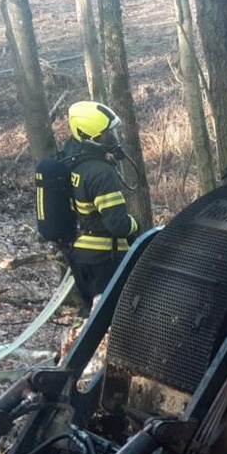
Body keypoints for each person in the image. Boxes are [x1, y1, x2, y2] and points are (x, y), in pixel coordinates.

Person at [59, 101, 139, 314]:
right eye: (106, 135)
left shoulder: (71, 162)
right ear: (90, 138)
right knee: (113, 319)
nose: (114, 139)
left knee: (90, 317)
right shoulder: (102, 173)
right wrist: (135, 225)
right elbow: (118, 225)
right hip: (105, 259)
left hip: (80, 257)